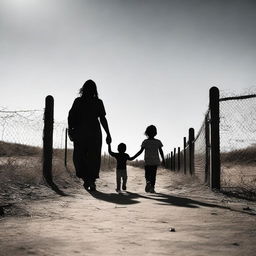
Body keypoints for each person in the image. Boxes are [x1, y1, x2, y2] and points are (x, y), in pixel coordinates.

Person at [68, 80, 111, 191]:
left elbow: (70, 117)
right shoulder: (97, 102)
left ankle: (88, 180)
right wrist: (108, 133)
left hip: (81, 133)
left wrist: (71, 130)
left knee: (79, 157)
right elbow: (103, 119)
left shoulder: (79, 101)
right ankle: (90, 180)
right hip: (94, 133)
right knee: (93, 158)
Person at [133, 125, 165, 193]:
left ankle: (148, 182)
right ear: (155, 133)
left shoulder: (145, 141)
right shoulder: (158, 142)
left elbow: (140, 151)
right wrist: (163, 159)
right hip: (155, 161)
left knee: (147, 174)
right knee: (153, 175)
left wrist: (133, 157)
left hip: (147, 161)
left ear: (146, 133)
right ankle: (152, 188)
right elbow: (161, 151)